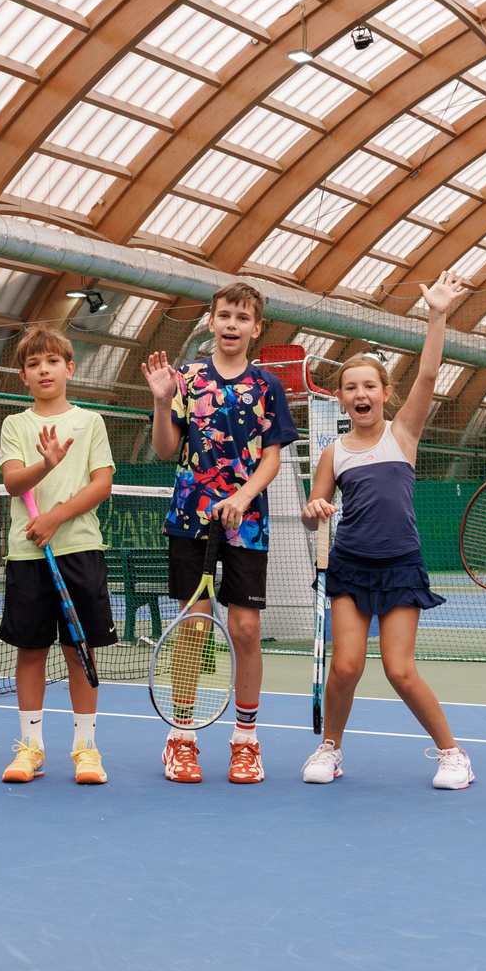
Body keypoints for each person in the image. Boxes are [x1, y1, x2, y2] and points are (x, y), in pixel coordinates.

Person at [299, 266, 475, 789]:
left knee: (399, 670)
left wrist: (437, 316)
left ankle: (453, 755)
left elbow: (427, 375)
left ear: (385, 393)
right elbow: (316, 502)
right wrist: (315, 512)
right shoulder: (333, 451)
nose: (360, 393)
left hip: (400, 566)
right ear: (341, 398)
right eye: (350, 387)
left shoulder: (403, 434)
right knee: (347, 666)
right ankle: (329, 748)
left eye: (369, 386)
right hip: (350, 566)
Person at [141, 283, 298, 784]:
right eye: (224, 314)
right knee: (193, 628)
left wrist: (244, 496)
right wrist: (163, 403)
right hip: (190, 519)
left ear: (256, 328)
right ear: (210, 321)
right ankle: (181, 738)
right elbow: (167, 450)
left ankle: (246, 741)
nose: (232, 324)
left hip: (247, 523)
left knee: (246, 630)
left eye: (243, 317)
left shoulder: (267, 386)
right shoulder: (184, 378)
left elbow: (272, 456)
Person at [0, 325, 117, 787]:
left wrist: (55, 518)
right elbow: (12, 482)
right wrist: (45, 464)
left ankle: (85, 748)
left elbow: (100, 484)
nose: (43, 369)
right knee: (31, 650)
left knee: (78, 650)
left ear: (69, 368)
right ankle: (31, 748)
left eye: (51, 361)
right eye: (32, 364)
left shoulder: (90, 422)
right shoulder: (15, 425)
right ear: (23, 376)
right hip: (27, 555)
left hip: (79, 550)